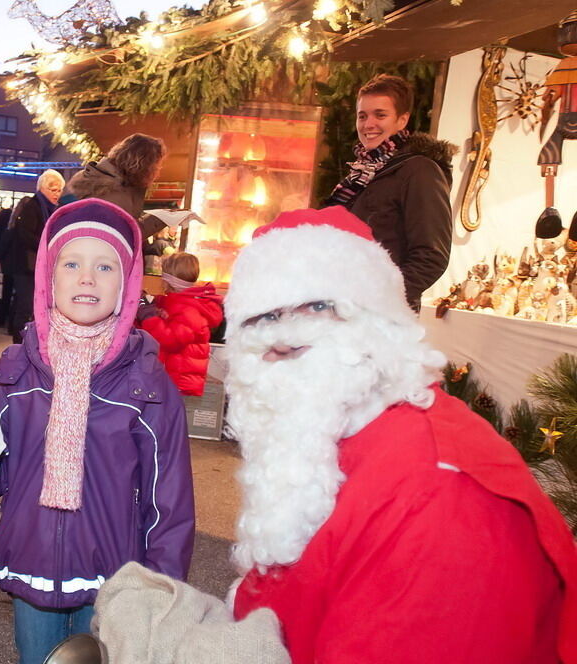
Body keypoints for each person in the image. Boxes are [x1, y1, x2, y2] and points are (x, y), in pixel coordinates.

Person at [222, 206, 576, 662]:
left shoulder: (438, 493)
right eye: (262, 318)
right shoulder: (328, 441)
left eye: (318, 306)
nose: (284, 338)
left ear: (379, 317)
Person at [0, 198, 195, 664]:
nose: (86, 277)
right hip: (33, 559)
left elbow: (169, 498)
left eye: (105, 266)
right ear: (47, 278)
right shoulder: (17, 371)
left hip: (118, 575)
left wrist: (162, 584)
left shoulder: (147, 385)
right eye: (71, 263)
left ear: (129, 284)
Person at [325, 74, 455, 311]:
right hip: (342, 311)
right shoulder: (360, 174)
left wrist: (381, 300)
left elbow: (431, 256)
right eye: (362, 115)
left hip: (381, 319)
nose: (368, 124)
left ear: (402, 120)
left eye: (380, 115)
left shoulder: (420, 171)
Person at [137, 252, 223, 397]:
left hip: (178, 383)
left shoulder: (190, 309)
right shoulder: (180, 303)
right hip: (171, 378)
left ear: (167, 280)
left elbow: (171, 340)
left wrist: (149, 317)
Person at [63, 133, 168, 240]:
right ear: (146, 165)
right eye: (157, 165)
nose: (159, 169)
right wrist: (163, 218)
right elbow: (123, 237)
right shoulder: (115, 194)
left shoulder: (95, 177)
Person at [6, 169, 63, 343]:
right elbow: (25, 235)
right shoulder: (33, 206)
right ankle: (19, 345)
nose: (57, 194)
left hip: (37, 265)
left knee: (29, 306)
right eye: (53, 190)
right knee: (25, 306)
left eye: (59, 190)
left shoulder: (52, 209)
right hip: (26, 265)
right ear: (42, 189)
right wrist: (49, 245)